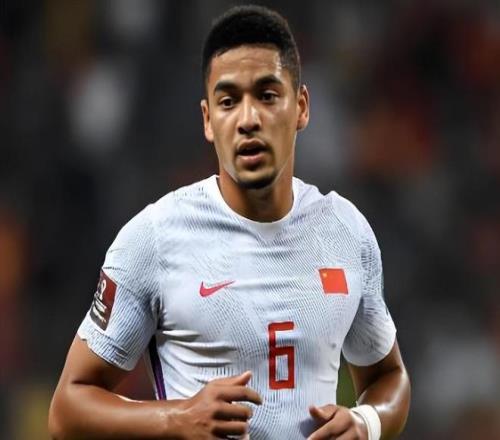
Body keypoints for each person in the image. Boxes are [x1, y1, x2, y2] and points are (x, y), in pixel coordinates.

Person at [49, 5, 410, 440]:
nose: (248, 119)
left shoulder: (346, 232)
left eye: (267, 95)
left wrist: (367, 422)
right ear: (208, 120)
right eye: (228, 101)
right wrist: (176, 417)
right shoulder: (154, 239)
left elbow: (389, 377)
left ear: (301, 107)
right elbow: (67, 409)